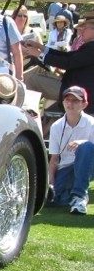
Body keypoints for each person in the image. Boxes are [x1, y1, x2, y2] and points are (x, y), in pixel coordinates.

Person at [22, 13, 94, 118]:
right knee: (40, 71)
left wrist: (39, 54)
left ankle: (30, 117)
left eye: (85, 28)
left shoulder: (91, 48)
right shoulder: (89, 47)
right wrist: (41, 47)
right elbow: (67, 56)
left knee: (32, 80)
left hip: (76, 91)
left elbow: (67, 62)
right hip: (72, 84)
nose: (81, 31)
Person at [46, 86, 94, 215]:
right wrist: (51, 185)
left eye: (75, 101)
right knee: (58, 199)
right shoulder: (56, 126)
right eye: (67, 100)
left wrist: (82, 142)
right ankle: (72, 196)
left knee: (87, 147)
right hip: (66, 168)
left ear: (84, 104)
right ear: (63, 103)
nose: (70, 104)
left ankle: (80, 196)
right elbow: (54, 159)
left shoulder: (92, 124)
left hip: (89, 165)